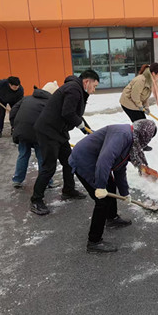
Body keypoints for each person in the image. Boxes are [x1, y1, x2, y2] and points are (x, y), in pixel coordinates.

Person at [69, 119, 157, 253]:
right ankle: (94, 242)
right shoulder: (123, 135)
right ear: (145, 133)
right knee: (102, 201)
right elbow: (105, 160)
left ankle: (112, 218)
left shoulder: (131, 141)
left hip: (95, 161)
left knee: (110, 186)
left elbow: (119, 168)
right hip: (84, 160)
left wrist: (125, 193)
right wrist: (100, 186)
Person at [30, 70, 100, 216]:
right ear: (86, 82)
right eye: (94, 86)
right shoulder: (74, 89)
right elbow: (68, 113)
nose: (94, 90)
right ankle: (36, 200)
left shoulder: (77, 89)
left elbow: (76, 114)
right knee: (49, 167)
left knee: (69, 161)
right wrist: (81, 126)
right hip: (48, 131)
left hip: (58, 131)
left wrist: (88, 130)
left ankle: (68, 190)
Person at [9, 81, 59, 189]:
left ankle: (17, 180)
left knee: (23, 154)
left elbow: (13, 111)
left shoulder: (26, 98)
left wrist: (15, 125)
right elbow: (52, 121)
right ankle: (47, 181)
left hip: (22, 131)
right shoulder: (49, 102)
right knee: (42, 157)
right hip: (38, 133)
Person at [119, 63, 158, 151]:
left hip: (136, 104)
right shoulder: (141, 80)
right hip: (128, 103)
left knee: (143, 124)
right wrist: (140, 107)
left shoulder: (150, 81)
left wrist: (146, 107)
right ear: (153, 73)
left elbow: (145, 97)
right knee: (142, 125)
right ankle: (137, 144)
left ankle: (140, 142)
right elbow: (135, 95)